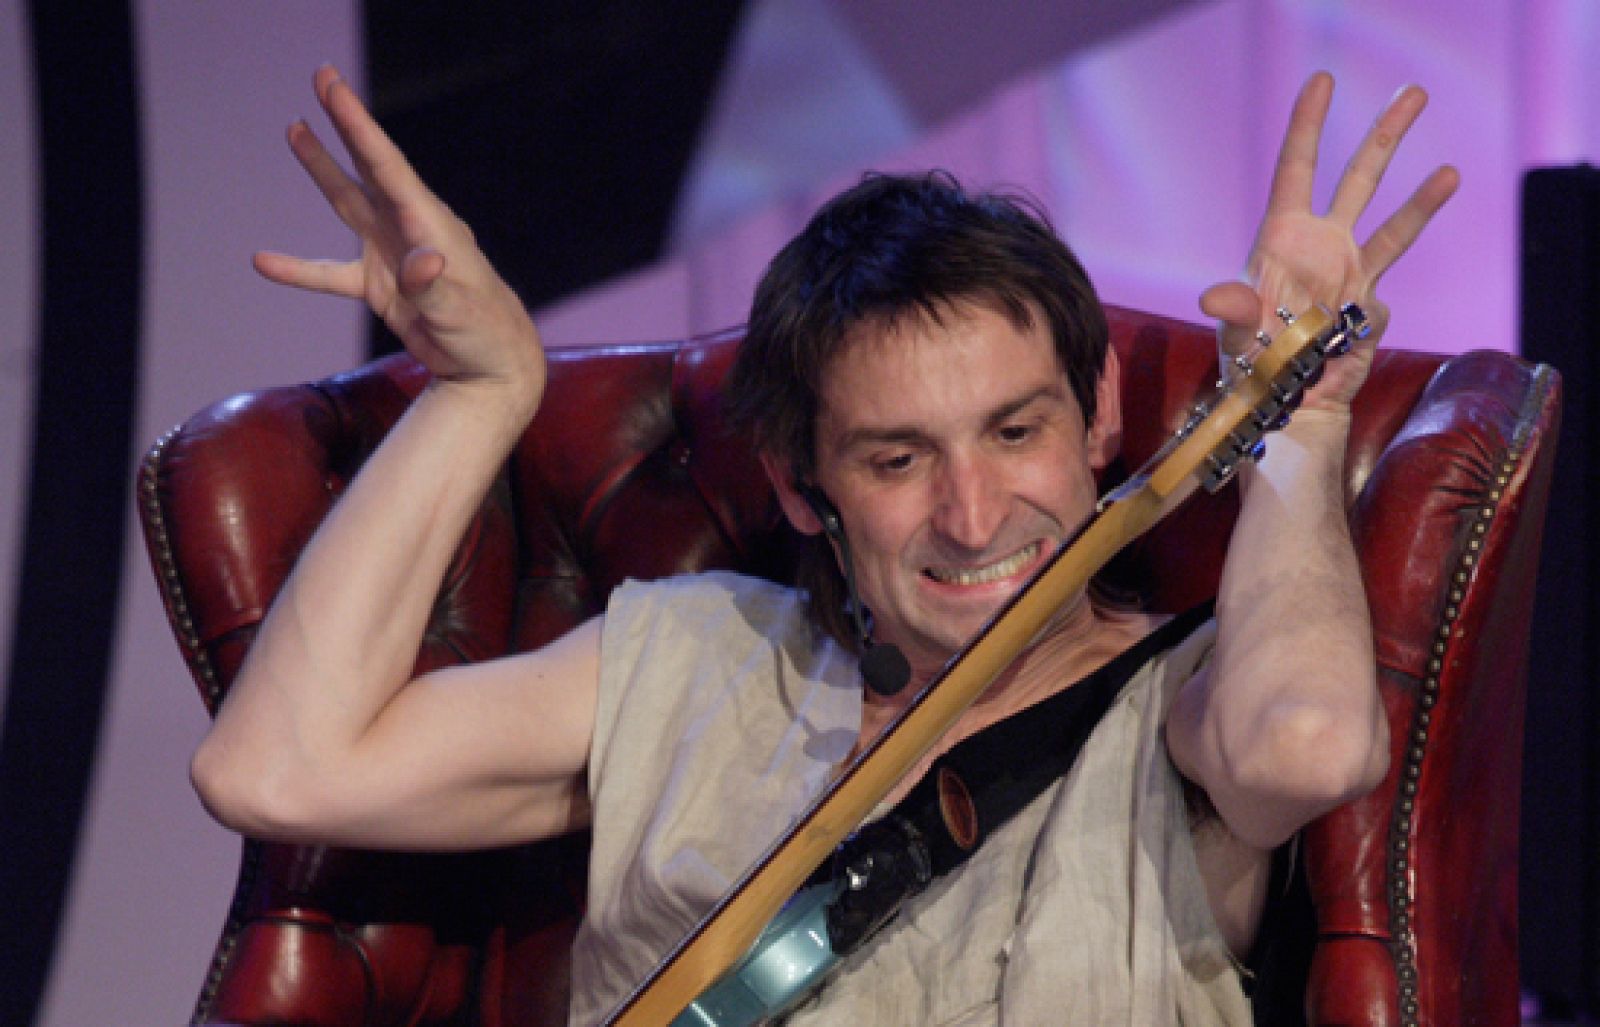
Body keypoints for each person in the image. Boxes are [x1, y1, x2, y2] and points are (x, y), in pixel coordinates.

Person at [190, 64, 1458, 1023]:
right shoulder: (698, 657)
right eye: (897, 461)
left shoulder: (1188, 702)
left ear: (1100, 419)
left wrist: (1298, 419)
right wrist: (482, 393)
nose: (973, 515)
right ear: (802, 489)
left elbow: (1307, 745)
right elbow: (277, 771)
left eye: (1015, 432)